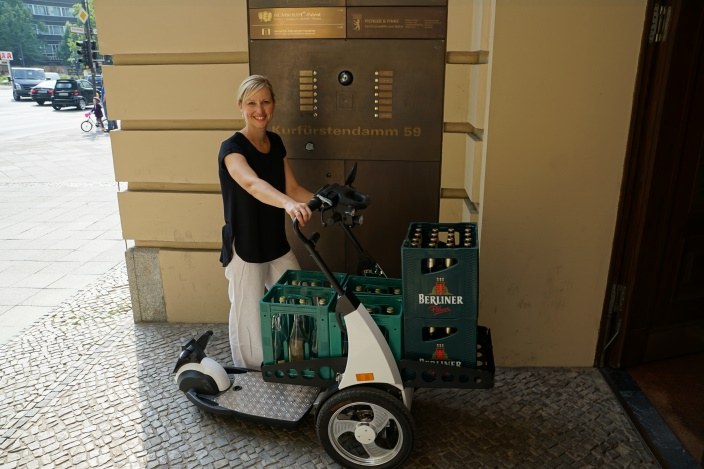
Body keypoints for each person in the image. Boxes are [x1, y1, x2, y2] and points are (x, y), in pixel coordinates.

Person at [218, 75, 314, 370]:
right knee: (248, 318)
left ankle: (296, 360)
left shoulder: (275, 142)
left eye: (265, 102)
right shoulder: (232, 149)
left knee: (300, 299)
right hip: (246, 245)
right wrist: (287, 203)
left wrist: (326, 202)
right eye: (251, 103)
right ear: (241, 107)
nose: (259, 110)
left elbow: (293, 188)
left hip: (275, 241)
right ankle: (252, 377)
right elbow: (252, 184)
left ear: (274, 104)